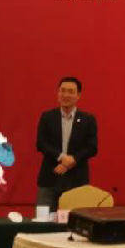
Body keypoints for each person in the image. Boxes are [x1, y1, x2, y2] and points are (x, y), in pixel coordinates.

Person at [35, 76, 98, 210]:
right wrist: (62, 158)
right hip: (49, 178)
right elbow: (41, 143)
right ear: (58, 93)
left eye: (70, 91)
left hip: (77, 179)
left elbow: (92, 147)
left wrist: (73, 160)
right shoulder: (47, 117)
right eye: (62, 91)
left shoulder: (88, 119)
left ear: (78, 95)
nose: (66, 95)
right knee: (43, 219)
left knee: (75, 219)